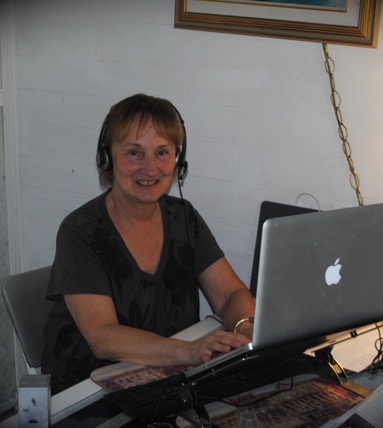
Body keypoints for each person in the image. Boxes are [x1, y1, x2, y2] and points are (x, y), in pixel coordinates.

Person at [41, 93, 256, 394]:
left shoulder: (183, 217)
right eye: (134, 153)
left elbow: (229, 293)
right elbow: (102, 336)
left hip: (168, 379)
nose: (150, 168)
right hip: (89, 393)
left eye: (162, 153)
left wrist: (246, 327)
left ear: (178, 160)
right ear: (107, 158)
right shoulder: (80, 232)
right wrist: (189, 352)